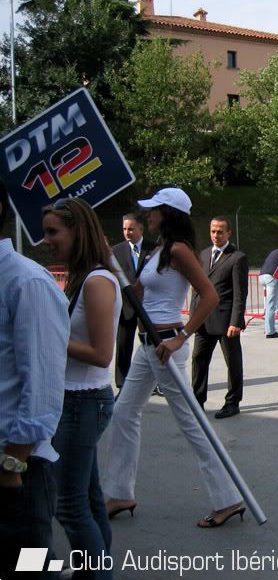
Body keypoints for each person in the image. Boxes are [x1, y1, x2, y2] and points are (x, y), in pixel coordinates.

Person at [103, 188, 244, 528]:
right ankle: (120, 492)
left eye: (153, 210)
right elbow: (143, 293)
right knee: (124, 412)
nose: (147, 215)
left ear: (168, 213)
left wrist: (182, 337)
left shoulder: (178, 250)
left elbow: (208, 296)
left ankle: (228, 498)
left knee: (192, 425)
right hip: (147, 343)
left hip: (166, 343)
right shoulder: (158, 251)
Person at [42, 198, 122, 579]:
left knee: (69, 506)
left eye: (54, 232)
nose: (47, 241)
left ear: (77, 231)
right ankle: (94, 569)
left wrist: (49, 336)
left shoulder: (97, 281)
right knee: (88, 500)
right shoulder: (86, 277)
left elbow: (102, 354)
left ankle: (95, 573)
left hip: (82, 402)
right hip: (77, 401)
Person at [0, 180, 70, 578]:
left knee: (28, 569)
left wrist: (12, 465)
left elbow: (42, 389)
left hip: (18, 475)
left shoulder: (27, 283)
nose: (47, 241)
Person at [191, 217, 249, 419]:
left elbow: (240, 293)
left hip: (226, 322)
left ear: (229, 233)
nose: (216, 235)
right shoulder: (204, 254)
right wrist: (193, 315)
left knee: (232, 363)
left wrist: (236, 321)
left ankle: (232, 403)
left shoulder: (237, 257)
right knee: (198, 360)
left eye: (220, 231)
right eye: (213, 231)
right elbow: (197, 288)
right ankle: (197, 402)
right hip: (203, 320)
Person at [112, 213, 156, 392]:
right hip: (126, 306)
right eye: (124, 229)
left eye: (130, 228)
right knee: (123, 344)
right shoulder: (116, 251)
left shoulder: (154, 248)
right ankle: (122, 382)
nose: (127, 232)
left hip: (148, 305)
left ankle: (155, 382)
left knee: (152, 345)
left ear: (141, 229)